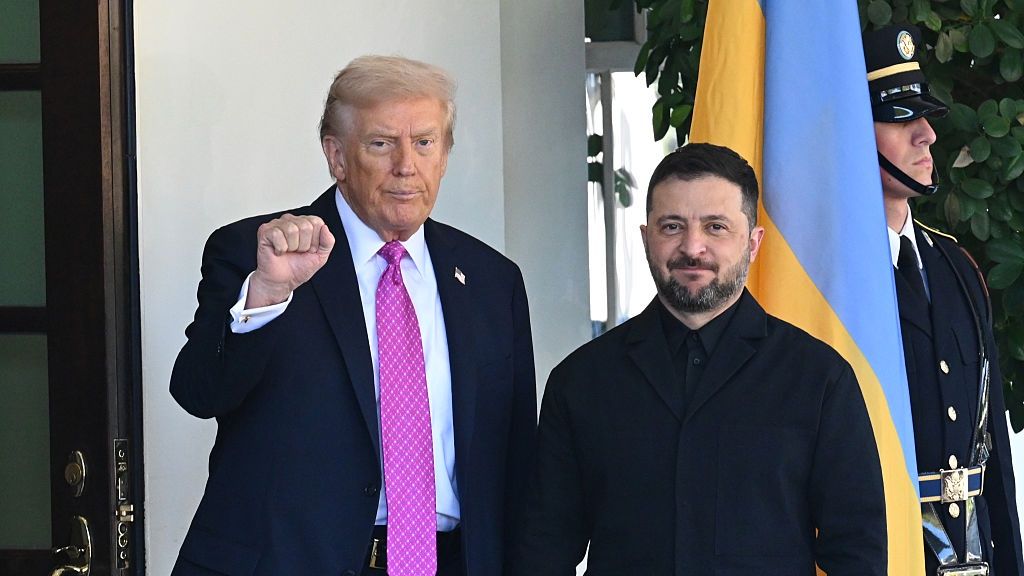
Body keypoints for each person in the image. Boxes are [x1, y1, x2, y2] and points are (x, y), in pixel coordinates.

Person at [169, 55, 536, 576]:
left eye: (425, 142)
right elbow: (199, 392)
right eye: (382, 143)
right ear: (336, 157)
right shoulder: (259, 253)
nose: (406, 165)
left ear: (446, 155)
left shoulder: (493, 281)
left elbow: (517, 460)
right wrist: (269, 291)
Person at [509, 143, 886, 575]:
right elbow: (544, 549)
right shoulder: (580, 381)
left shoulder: (820, 379)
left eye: (716, 227)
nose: (693, 247)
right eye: (672, 226)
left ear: (753, 242)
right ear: (646, 237)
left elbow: (858, 551)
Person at [864, 24, 1024, 575]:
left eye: (924, 117)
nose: (926, 135)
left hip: (971, 552)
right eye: (901, 118)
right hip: (880, 550)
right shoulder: (836, 280)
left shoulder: (955, 265)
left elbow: (992, 441)